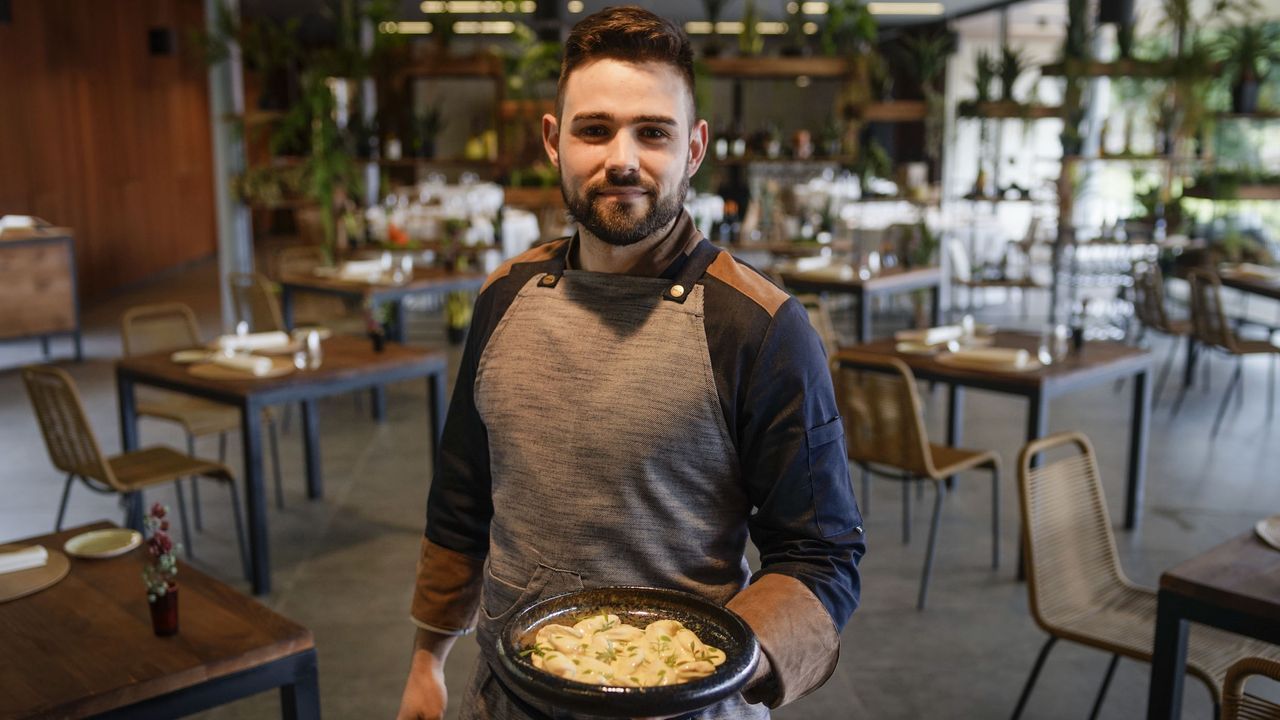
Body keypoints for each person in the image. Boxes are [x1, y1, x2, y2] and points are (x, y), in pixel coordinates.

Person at [397, 7, 865, 719]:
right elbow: (461, 501)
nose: (623, 158)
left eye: (653, 132)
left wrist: (707, 671)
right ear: (554, 141)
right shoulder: (504, 297)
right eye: (595, 129)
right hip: (507, 702)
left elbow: (822, 554)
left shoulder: (759, 327)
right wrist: (427, 661)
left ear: (694, 147)